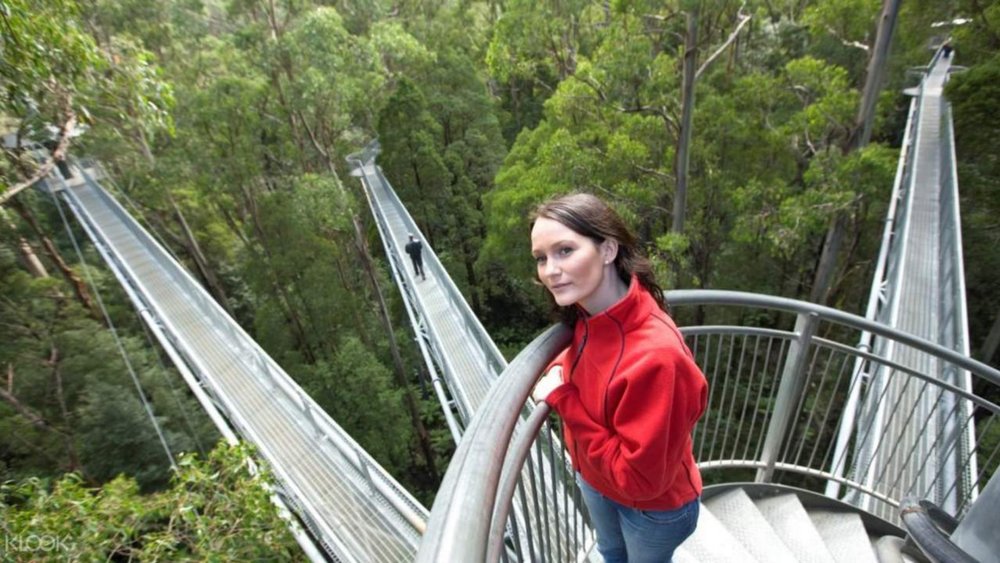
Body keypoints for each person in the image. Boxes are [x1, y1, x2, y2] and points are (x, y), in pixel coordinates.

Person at [529, 193, 708, 563]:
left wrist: (565, 400)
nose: (549, 270)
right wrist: (558, 369)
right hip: (596, 479)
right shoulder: (591, 313)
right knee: (611, 553)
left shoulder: (658, 358)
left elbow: (641, 480)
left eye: (565, 250)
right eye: (541, 258)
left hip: (652, 509)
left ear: (608, 249)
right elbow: (590, 357)